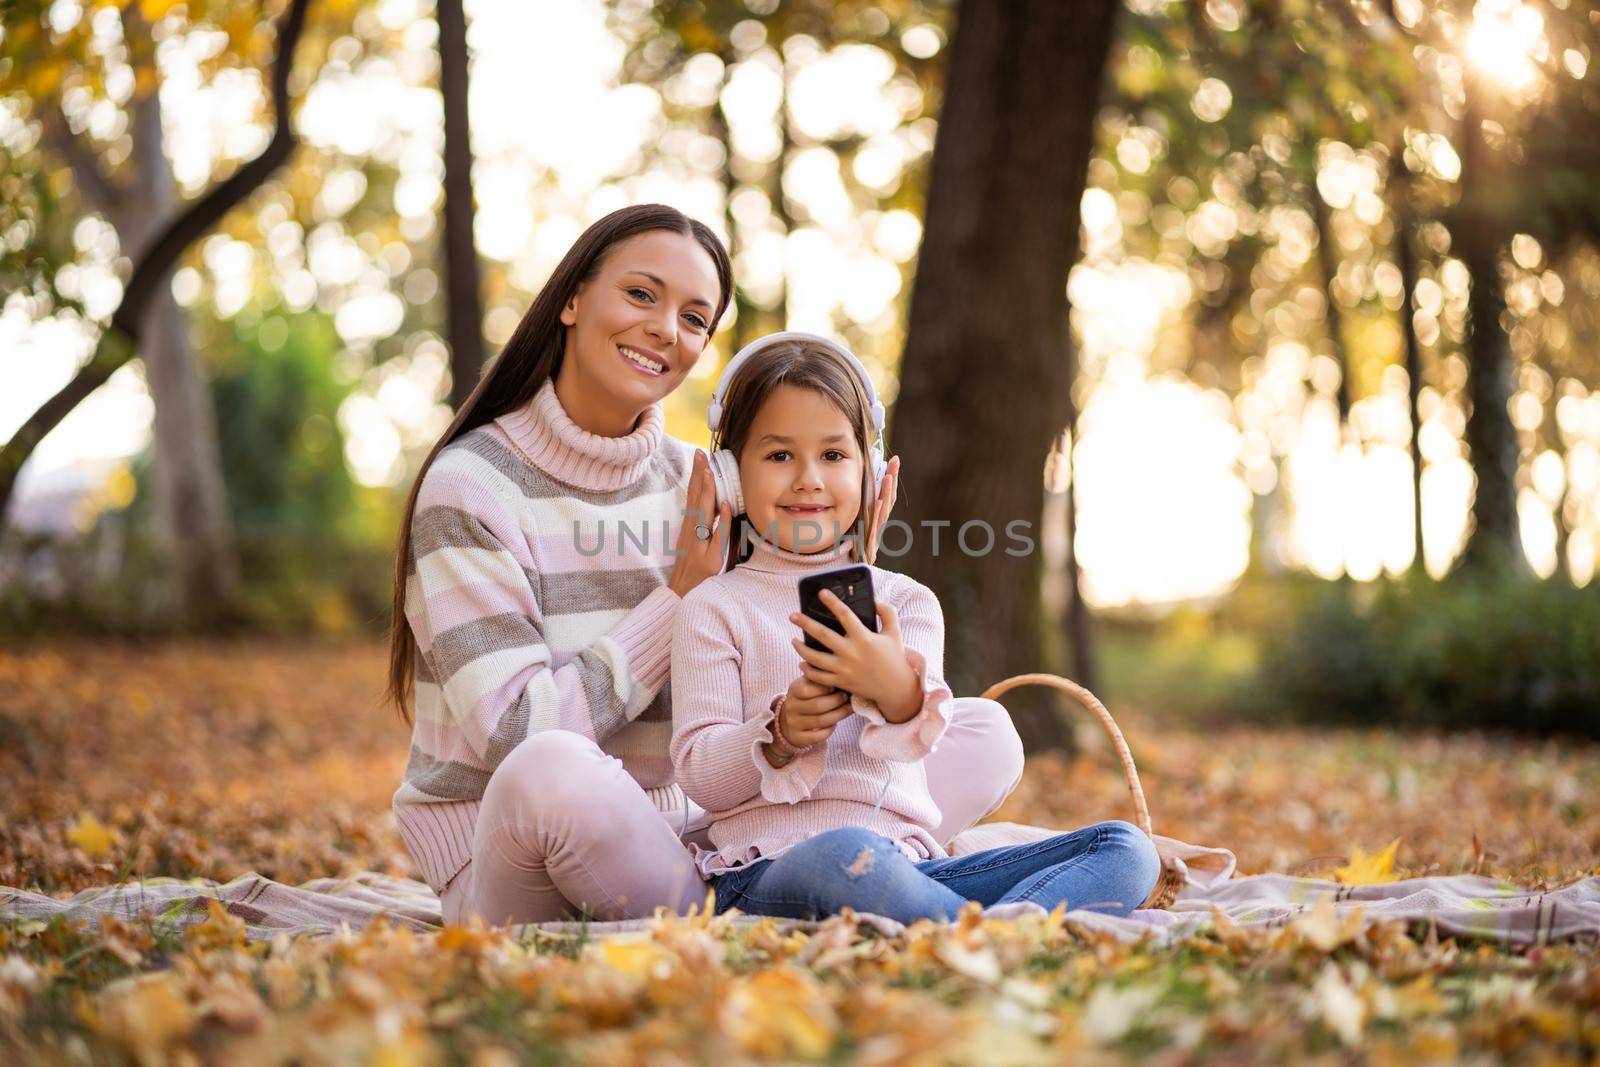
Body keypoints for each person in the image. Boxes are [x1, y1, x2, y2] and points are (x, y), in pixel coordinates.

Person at [387, 204, 1025, 924]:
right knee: (549, 770)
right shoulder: (471, 488)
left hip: (692, 843)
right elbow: (518, 736)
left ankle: (809, 884)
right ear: (571, 299)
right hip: (517, 843)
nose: (666, 328)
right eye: (641, 294)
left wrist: (853, 565)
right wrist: (677, 598)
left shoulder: (706, 480)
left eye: (695, 318)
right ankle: (850, 885)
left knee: (982, 729)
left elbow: (769, 651)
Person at [670, 334, 1161, 924]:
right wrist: (777, 735)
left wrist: (895, 688)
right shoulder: (715, 607)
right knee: (844, 854)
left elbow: (920, 736)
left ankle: (967, 928)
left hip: (906, 867)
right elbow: (700, 775)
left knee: (1126, 849)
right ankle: (989, 930)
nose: (808, 480)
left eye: (833, 456)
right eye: (779, 456)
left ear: (872, 475)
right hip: (770, 870)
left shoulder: (908, 603)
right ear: (730, 476)